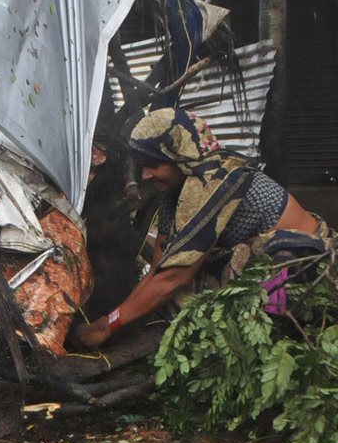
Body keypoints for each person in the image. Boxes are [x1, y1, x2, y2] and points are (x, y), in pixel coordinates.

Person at [73, 107, 336, 349]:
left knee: (192, 296)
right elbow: (159, 268)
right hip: (261, 264)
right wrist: (112, 320)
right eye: (141, 167)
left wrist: (109, 327)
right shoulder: (173, 195)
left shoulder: (216, 181)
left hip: (306, 266)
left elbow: (175, 277)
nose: (144, 176)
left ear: (181, 156)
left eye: (153, 165)